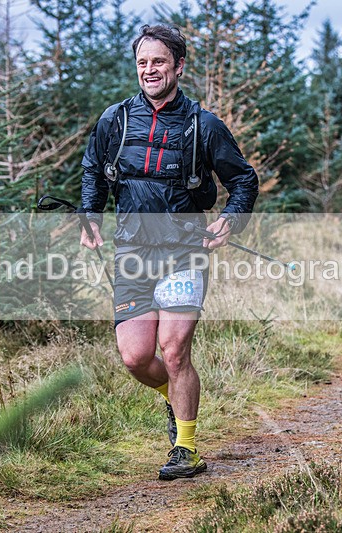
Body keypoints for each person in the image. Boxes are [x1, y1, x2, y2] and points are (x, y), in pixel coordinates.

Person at [78, 24, 258, 480]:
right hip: (132, 255)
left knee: (175, 351)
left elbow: (243, 180)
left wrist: (229, 220)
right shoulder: (115, 120)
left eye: (158, 61)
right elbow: (93, 170)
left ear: (178, 65)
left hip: (184, 253)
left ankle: (187, 448)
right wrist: (91, 216)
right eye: (142, 62)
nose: (149, 70)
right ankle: (172, 399)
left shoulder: (204, 125)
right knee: (136, 357)